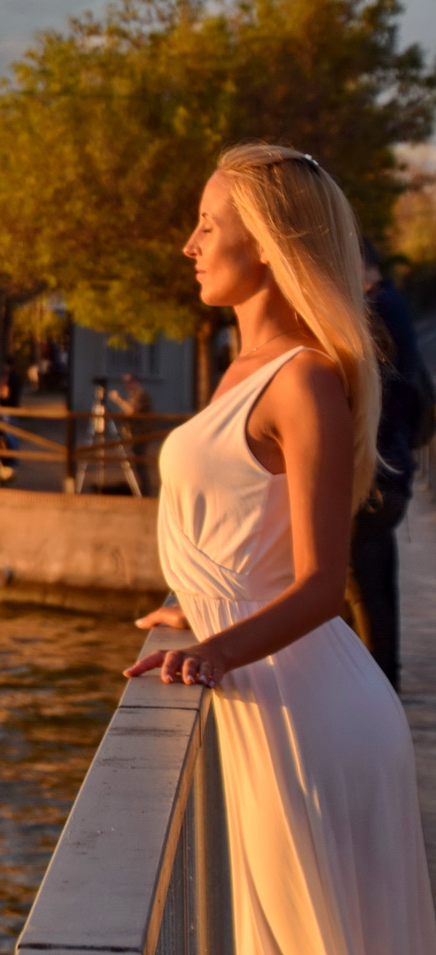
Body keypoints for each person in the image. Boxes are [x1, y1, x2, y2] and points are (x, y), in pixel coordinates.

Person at [125, 144, 436, 952]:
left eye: (205, 224)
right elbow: (242, 530)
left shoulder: (302, 381)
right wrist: (195, 603)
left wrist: (212, 646)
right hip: (265, 687)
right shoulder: (239, 370)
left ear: (264, 240)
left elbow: (321, 582)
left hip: (308, 714)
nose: (188, 244)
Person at [353, 238, 429, 690]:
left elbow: (385, 396)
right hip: (394, 469)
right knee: (377, 583)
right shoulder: (393, 305)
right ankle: (384, 683)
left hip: (377, 473)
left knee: (359, 586)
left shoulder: (376, 311)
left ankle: (372, 688)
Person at [108, 372, 155, 495]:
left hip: (142, 434)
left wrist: (117, 399)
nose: (126, 385)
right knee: (138, 464)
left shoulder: (141, 395)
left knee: (140, 464)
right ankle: (141, 491)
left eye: (128, 383)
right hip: (135, 434)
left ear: (135, 383)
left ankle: (145, 493)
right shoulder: (133, 396)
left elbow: (132, 410)